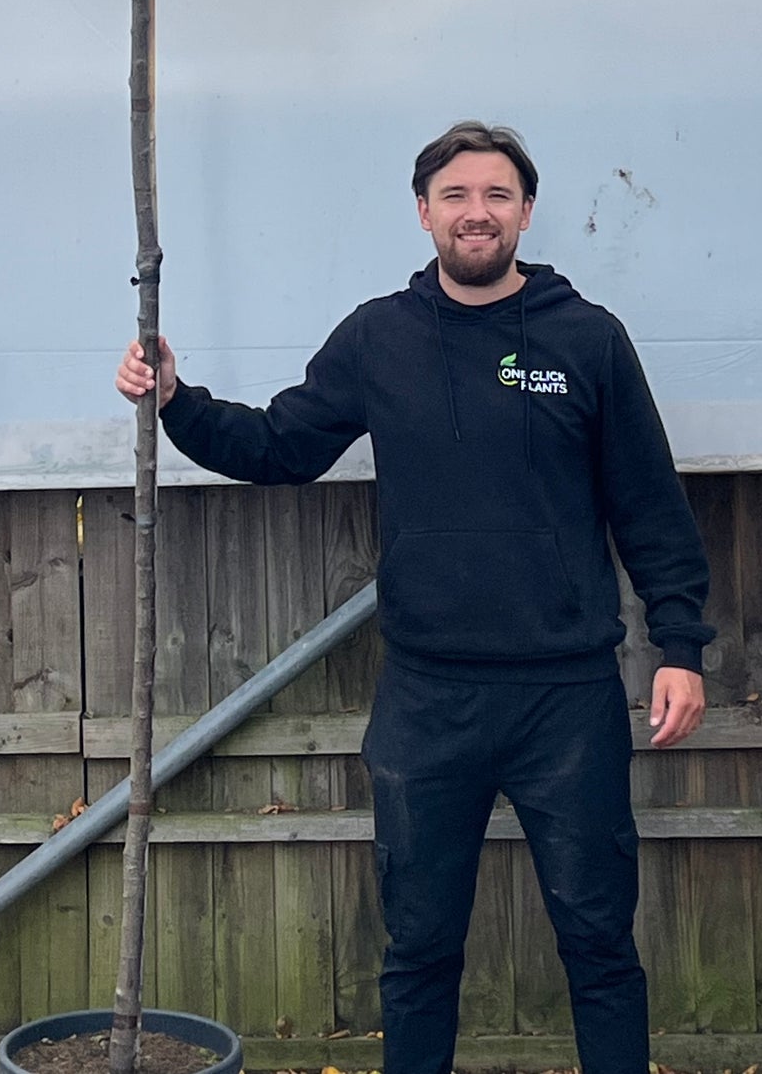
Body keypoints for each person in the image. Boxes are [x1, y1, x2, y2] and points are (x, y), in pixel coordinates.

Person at [116, 119, 712, 1074]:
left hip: (569, 698)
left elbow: (649, 504)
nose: (477, 213)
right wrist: (179, 398)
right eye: (456, 196)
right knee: (420, 949)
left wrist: (679, 644)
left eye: (497, 195)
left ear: (524, 210)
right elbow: (279, 445)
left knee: (600, 942)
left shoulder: (586, 340)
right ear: (424, 211)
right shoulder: (378, 339)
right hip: (428, 700)